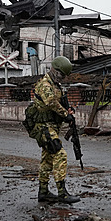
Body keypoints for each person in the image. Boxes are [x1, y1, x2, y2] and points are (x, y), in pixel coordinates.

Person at [30, 56, 80, 204]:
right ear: (55, 70)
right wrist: (66, 115)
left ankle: (43, 192)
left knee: (47, 159)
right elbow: (51, 102)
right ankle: (62, 193)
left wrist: (67, 110)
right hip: (43, 127)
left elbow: (58, 102)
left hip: (51, 126)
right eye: (61, 74)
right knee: (60, 154)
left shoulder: (55, 85)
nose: (63, 78)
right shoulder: (45, 84)